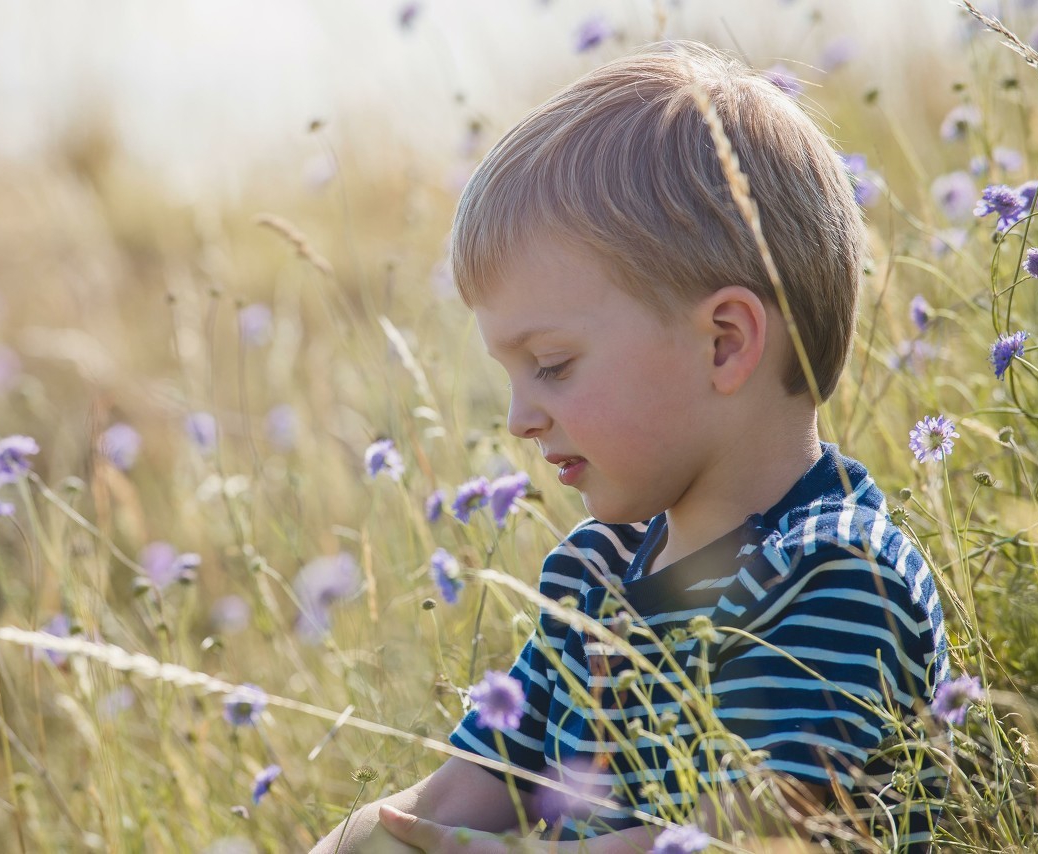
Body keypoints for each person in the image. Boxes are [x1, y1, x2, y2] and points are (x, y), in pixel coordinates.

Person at [311, 40, 948, 853]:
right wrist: (361, 839)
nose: (520, 419)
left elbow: (755, 831)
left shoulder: (840, 577)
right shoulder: (593, 575)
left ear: (724, 343)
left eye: (552, 366)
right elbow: (461, 793)